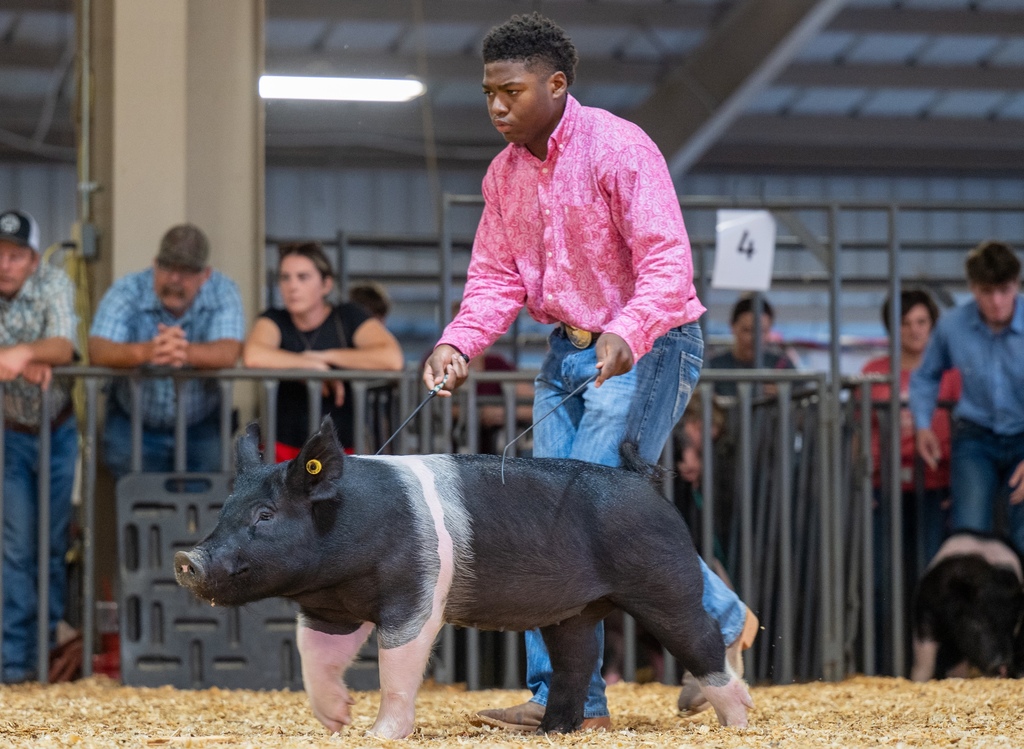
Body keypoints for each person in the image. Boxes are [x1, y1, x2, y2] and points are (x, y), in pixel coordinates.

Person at [421, 13, 757, 732]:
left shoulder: (619, 148)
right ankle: (573, 703)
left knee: (592, 518)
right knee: (556, 529)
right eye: (488, 93)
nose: (497, 107)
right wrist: (458, 343)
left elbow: (668, 265)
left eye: (511, 91)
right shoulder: (504, 176)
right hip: (569, 352)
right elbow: (494, 279)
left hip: (652, 343)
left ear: (556, 83)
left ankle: (713, 625)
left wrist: (625, 334)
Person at [89, 223, 244, 477]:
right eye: (167, 267)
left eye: (185, 271)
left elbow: (228, 352)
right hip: (133, 422)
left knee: (206, 508)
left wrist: (183, 351)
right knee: (139, 507)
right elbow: (98, 348)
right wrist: (146, 352)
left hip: (201, 424)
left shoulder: (224, 290)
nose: (174, 279)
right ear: (154, 264)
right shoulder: (128, 289)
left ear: (205, 275)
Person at [863, 289, 961, 674]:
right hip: (884, 490)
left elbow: (961, 431)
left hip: (936, 488)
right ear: (893, 328)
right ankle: (888, 665)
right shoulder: (873, 372)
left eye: (922, 322)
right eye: (905, 323)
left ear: (933, 326)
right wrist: (863, 478)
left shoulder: (951, 376)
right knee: (884, 580)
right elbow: (861, 433)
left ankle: (941, 665)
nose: (915, 330)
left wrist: (955, 482)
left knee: (932, 577)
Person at [0, 209, 78, 682]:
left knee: (50, 546)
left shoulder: (54, 282)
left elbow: (64, 345)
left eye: (15, 255)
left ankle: (44, 659)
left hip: (57, 429)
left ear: (33, 260)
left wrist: (25, 352)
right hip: (11, 430)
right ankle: (13, 666)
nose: (5, 264)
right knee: (16, 549)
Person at [911, 240, 1024, 555]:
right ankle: (973, 605)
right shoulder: (952, 326)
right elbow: (925, 376)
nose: (998, 301)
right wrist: (923, 425)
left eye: (1005, 290)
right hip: (975, 436)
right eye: (988, 292)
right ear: (973, 289)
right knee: (969, 533)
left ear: (1016, 285)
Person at [243, 242, 403, 460]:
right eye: (285, 277)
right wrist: (308, 366)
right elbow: (254, 355)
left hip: (340, 449)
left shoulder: (347, 316)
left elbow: (391, 358)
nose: (292, 286)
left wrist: (322, 357)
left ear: (326, 284)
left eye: (303, 277)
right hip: (283, 449)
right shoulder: (274, 319)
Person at [708, 295, 795, 397]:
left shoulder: (783, 366)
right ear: (732, 326)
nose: (755, 339)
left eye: (763, 331)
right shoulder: (713, 368)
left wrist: (784, 396)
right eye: (747, 330)